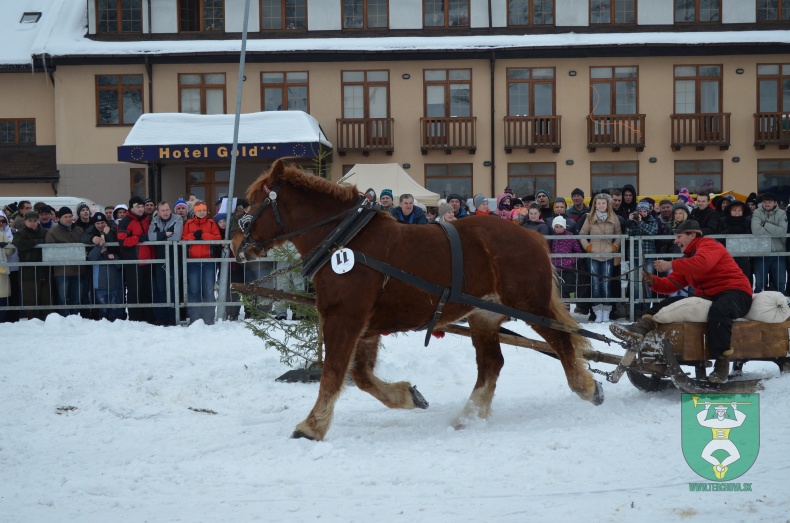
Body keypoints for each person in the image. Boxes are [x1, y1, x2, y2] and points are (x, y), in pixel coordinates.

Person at [610, 220, 753, 384]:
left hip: (736, 293)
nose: (675, 241)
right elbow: (671, 284)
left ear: (693, 235)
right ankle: (640, 328)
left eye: (679, 236)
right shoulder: (687, 258)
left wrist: (670, 264)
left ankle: (722, 364)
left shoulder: (708, 244)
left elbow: (703, 264)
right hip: (712, 297)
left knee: (719, 311)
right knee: (673, 301)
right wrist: (654, 281)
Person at [579, 193, 622, 323]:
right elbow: (582, 234)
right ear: (595, 205)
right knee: (595, 285)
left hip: (608, 255)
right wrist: (588, 247)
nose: (601, 205)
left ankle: (606, 312)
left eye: (603, 203)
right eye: (599, 203)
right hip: (593, 255)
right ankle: (597, 311)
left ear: (607, 204)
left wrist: (614, 246)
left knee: (606, 285)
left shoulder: (614, 218)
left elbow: (619, 235)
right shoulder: (590, 217)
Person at [182, 201, 222, 325]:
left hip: (208, 261)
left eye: (204, 210)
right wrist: (194, 236)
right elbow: (183, 238)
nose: (202, 212)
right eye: (199, 210)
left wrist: (203, 235)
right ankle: (195, 319)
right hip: (192, 261)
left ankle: (209, 318)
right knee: (194, 291)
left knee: (209, 290)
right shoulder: (188, 223)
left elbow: (218, 238)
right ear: (195, 211)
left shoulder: (211, 222)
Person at [117, 195, 155, 323]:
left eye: (142, 207)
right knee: (134, 292)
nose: (141, 209)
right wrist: (139, 239)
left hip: (148, 261)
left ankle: (148, 317)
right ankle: (135, 318)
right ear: (132, 208)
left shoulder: (147, 219)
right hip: (134, 262)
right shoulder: (125, 221)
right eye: (138, 207)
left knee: (147, 291)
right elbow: (122, 241)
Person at [83, 212, 124, 321]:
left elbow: (117, 244)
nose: (100, 225)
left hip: (114, 278)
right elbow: (85, 239)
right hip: (99, 280)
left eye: (102, 222)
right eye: (98, 223)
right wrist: (94, 240)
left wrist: (106, 235)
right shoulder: (91, 230)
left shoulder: (112, 228)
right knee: (101, 300)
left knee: (114, 299)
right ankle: (101, 316)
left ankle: (116, 316)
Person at [148, 200, 184, 325]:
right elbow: (150, 237)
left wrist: (159, 236)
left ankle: (174, 317)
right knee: (161, 288)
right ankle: (162, 317)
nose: (165, 212)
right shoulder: (155, 220)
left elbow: (176, 237)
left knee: (174, 288)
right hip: (160, 259)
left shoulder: (178, 218)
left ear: (171, 210)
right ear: (158, 212)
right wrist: (164, 234)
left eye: (167, 210)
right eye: (162, 210)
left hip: (175, 259)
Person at [45, 206, 85, 316]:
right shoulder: (53, 232)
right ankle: (64, 319)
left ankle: (75, 317)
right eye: (65, 217)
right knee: (63, 298)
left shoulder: (79, 230)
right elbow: (50, 252)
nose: (68, 219)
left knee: (76, 298)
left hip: (78, 270)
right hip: (62, 271)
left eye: (70, 216)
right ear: (59, 218)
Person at [12, 211, 51, 319]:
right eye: (30, 221)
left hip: (44, 270)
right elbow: (19, 244)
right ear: (25, 221)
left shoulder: (44, 231)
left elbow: (50, 242)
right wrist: (35, 242)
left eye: (35, 221)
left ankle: (47, 321)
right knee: (30, 300)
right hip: (28, 272)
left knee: (46, 300)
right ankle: (31, 321)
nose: (33, 223)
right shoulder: (21, 233)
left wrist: (36, 242)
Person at [751, 192, 788, 294]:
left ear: (775, 203)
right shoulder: (757, 212)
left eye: (770, 202)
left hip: (778, 253)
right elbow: (756, 231)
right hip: (761, 252)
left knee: (780, 284)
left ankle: (780, 306)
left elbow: (782, 232)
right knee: (759, 285)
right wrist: (774, 231)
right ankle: (759, 307)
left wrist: (765, 224)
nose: (767, 204)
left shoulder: (781, 213)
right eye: (765, 201)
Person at [549, 216, 583, 306]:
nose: (559, 229)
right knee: (556, 292)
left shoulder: (570, 237)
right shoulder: (552, 238)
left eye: (561, 226)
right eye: (556, 227)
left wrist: (570, 261)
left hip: (567, 269)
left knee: (566, 291)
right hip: (555, 269)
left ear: (564, 227)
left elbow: (578, 252)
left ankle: (566, 310)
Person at [721, 200, 752, 279]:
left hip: (743, 254)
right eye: (734, 210)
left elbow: (750, 236)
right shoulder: (723, 221)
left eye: (739, 210)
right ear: (730, 211)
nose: (737, 212)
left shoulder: (748, 222)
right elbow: (719, 235)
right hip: (726, 255)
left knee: (744, 276)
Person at [0, 224, 17, 323]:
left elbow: (10, 250)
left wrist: (6, 245)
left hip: (1, 273)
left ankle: (2, 321)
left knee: (2, 299)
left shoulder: (1, 235)